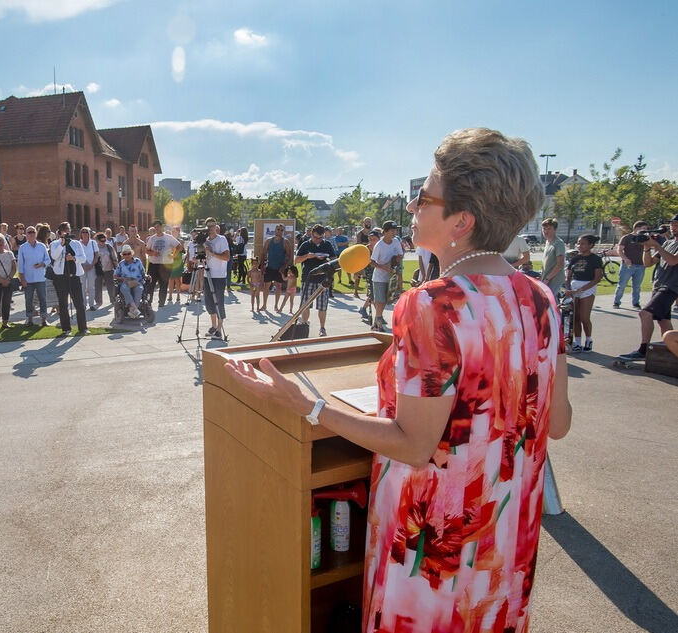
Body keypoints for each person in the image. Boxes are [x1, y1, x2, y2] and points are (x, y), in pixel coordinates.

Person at [226, 127, 571, 633]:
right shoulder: (539, 297)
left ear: (462, 220)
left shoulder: (434, 304)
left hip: (437, 540)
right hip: (504, 531)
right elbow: (555, 423)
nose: (411, 205)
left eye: (423, 196)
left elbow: (413, 446)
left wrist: (308, 406)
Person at [619, 214, 678, 361]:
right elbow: (648, 263)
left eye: (676, 224)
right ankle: (673, 351)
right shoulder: (668, 243)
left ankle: (643, 350)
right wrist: (646, 247)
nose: (673, 227)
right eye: (672, 224)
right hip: (659, 284)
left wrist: (656, 245)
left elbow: (672, 261)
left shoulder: (665, 244)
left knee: (645, 313)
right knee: (663, 320)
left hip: (671, 286)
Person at [295, 224, 338, 336]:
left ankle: (322, 328)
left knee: (322, 306)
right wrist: (308, 256)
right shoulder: (305, 244)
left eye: (320, 238)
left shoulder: (327, 244)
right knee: (305, 305)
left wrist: (327, 259)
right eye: (315, 237)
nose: (318, 240)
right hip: (308, 278)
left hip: (323, 280)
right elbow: (297, 260)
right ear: (311, 234)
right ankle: (304, 325)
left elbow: (334, 259)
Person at [565, 234, 603, 352]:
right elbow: (568, 276)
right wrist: (568, 289)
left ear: (590, 245)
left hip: (587, 288)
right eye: (578, 243)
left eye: (582, 243)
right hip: (574, 288)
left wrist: (580, 290)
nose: (579, 246)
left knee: (584, 317)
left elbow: (597, 278)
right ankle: (577, 342)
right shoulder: (575, 258)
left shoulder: (595, 259)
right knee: (575, 317)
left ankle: (588, 339)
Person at [49, 222, 88, 335]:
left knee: (79, 303)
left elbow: (83, 258)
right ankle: (66, 329)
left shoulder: (76, 243)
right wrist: (62, 244)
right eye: (65, 230)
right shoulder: (55, 244)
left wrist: (74, 258)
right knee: (63, 304)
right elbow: (54, 256)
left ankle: (83, 328)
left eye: (68, 229)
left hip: (74, 276)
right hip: (60, 277)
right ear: (60, 232)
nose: (67, 231)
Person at [369, 221, 404, 332]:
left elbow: (400, 254)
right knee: (380, 301)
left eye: (395, 230)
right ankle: (378, 322)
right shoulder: (379, 245)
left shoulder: (396, 242)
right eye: (392, 230)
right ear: (386, 231)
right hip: (379, 277)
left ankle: (376, 322)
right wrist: (384, 267)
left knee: (386, 301)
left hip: (391, 277)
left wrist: (395, 260)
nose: (394, 233)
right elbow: (372, 262)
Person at [202, 217, 231, 339]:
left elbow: (227, 257)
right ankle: (213, 326)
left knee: (219, 301)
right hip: (207, 275)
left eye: (213, 226)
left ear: (216, 226)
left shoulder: (222, 239)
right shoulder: (204, 241)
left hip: (218, 276)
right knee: (209, 303)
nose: (211, 228)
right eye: (208, 226)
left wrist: (212, 253)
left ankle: (219, 329)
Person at [17, 225, 50, 326]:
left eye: (33, 232)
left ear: (36, 234)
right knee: (29, 300)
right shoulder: (22, 248)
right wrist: (22, 278)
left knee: (43, 299)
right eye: (29, 232)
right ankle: (29, 319)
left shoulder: (42, 246)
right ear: (26, 235)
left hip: (40, 277)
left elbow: (48, 260)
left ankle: (44, 319)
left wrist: (42, 264)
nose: (31, 234)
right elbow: (20, 264)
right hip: (28, 279)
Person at [614, 220, 650, 308]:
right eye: (644, 228)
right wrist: (625, 259)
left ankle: (635, 303)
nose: (646, 230)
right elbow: (619, 250)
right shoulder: (626, 237)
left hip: (641, 265)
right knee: (622, 285)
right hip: (628, 265)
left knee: (637, 286)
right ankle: (617, 302)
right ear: (637, 228)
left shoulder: (644, 238)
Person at [145, 220, 180, 307]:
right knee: (150, 284)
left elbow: (179, 246)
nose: (157, 229)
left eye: (158, 227)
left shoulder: (168, 237)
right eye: (155, 227)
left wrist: (173, 255)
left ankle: (161, 303)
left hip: (165, 264)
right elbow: (146, 250)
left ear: (162, 227)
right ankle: (149, 302)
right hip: (154, 264)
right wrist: (153, 253)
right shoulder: (152, 238)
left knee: (163, 284)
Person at [261, 224, 292, 311]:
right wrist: (262, 266)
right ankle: (264, 305)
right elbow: (263, 254)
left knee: (278, 286)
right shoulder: (268, 241)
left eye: (282, 230)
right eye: (278, 229)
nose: (280, 231)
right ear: (275, 230)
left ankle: (276, 305)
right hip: (270, 266)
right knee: (266, 286)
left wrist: (284, 266)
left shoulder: (285, 242)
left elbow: (289, 256)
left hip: (280, 268)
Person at [114, 244, 147, 317]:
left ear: (131, 253)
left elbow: (143, 272)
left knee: (139, 289)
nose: (127, 255)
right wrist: (123, 278)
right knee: (124, 289)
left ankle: (132, 311)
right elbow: (115, 275)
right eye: (125, 254)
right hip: (126, 282)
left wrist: (147, 276)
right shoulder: (121, 264)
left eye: (128, 253)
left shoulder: (137, 261)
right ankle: (135, 309)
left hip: (137, 281)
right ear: (123, 255)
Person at [540, 218, 566, 299]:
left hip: (554, 280)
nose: (546, 231)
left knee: (553, 304)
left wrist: (547, 279)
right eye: (544, 228)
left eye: (549, 229)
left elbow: (560, 264)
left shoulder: (558, 243)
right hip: (546, 278)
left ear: (555, 230)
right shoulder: (548, 242)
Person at [78, 227, 99, 311]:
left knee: (91, 286)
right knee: (82, 286)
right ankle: (83, 304)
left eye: (86, 232)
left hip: (91, 266)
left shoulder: (93, 243)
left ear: (89, 233)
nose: (84, 233)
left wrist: (92, 265)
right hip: (81, 267)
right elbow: (77, 256)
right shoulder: (78, 243)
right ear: (81, 234)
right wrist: (83, 265)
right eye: (83, 232)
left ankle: (91, 304)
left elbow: (96, 255)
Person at [95, 232, 118, 307]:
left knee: (110, 286)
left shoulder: (109, 246)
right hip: (98, 269)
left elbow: (114, 257)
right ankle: (98, 301)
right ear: (97, 240)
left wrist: (116, 266)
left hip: (109, 268)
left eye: (104, 240)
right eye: (102, 241)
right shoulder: (95, 247)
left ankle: (113, 299)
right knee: (98, 286)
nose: (103, 242)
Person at [353, 217, 374, 296]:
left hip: (371, 256)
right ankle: (355, 291)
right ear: (363, 223)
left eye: (369, 222)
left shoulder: (373, 232)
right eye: (366, 222)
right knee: (358, 274)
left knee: (370, 274)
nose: (368, 223)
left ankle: (369, 291)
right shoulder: (360, 233)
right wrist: (367, 245)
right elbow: (359, 244)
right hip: (361, 256)